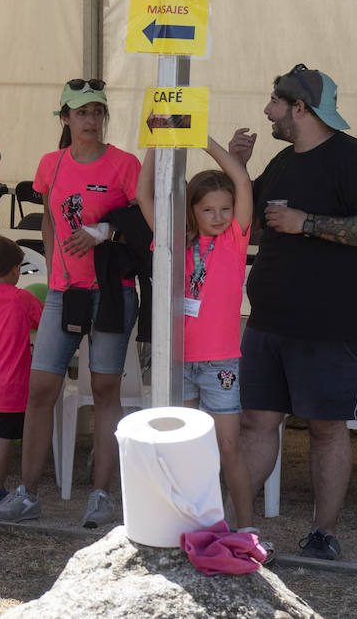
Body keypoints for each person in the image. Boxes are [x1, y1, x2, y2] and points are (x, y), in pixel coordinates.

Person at [227, 64, 357, 561]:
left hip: (334, 323)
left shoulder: (354, 158)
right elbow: (245, 223)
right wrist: (236, 166)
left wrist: (308, 223)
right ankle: (235, 526)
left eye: (274, 101)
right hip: (270, 319)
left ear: (300, 108)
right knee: (256, 421)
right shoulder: (281, 161)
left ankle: (324, 533)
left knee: (325, 426)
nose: (266, 109)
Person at [0, 78, 141, 529]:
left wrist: (106, 230)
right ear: (65, 118)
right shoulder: (50, 164)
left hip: (113, 290)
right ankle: (28, 492)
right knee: (40, 389)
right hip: (62, 292)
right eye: (81, 112)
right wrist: (55, 269)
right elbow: (52, 222)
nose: (90, 120)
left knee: (104, 390)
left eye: (97, 111)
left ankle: (101, 495)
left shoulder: (124, 164)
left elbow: (145, 221)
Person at [137, 136, 256, 533]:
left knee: (228, 447)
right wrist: (158, 141)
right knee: (186, 450)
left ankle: (246, 528)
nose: (220, 216)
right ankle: (188, 526)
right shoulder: (174, 239)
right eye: (208, 209)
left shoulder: (234, 240)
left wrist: (204, 142)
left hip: (221, 361)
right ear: (192, 210)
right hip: (178, 359)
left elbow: (242, 181)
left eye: (225, 209)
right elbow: (143, 194)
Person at [0, 236, 44, 508]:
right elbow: (43, 324)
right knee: (5, 439)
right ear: (16, 269)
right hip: (12, 384)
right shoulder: (22, 299)